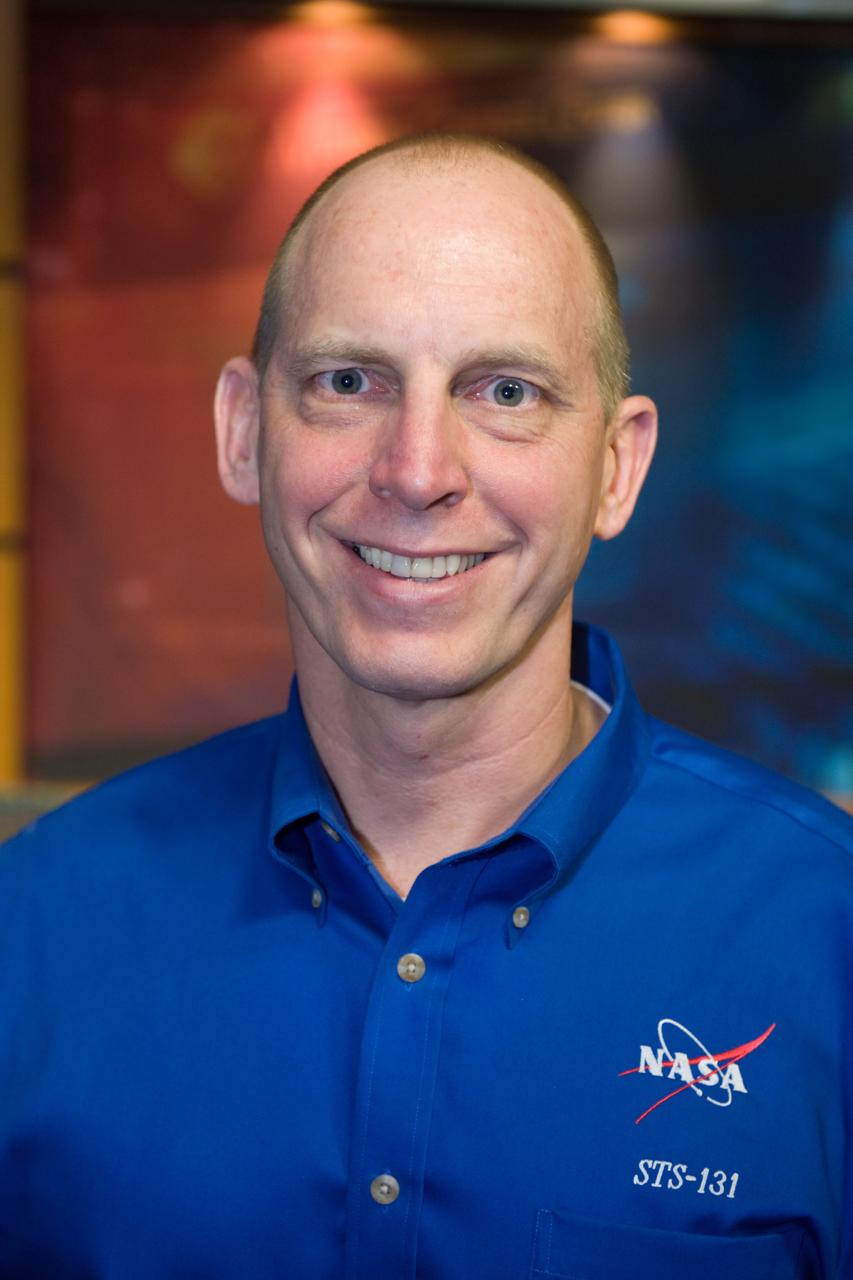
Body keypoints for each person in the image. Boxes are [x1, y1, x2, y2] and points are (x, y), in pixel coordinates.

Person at [1, 134, 851, 1280]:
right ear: (245, 431)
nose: (416, 469)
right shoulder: (35, 926)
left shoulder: (822, 935)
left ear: (616, 465)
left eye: (506, 391)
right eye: (348, 382)